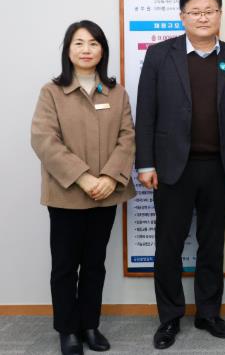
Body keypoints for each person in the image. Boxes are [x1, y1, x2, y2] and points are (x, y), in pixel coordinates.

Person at [135, 0, 225, 350]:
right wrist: (145, 163)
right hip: (172, 168)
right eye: (195, 12)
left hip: (219, 167)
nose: (203, 17)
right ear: (182, 17)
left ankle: (208, 313)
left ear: (220, 15)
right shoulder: (160, 55)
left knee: (211, 244)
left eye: (209, 10)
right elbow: (146, 112)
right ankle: (169, 317)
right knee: (168, 245)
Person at [31, 20, 136, 355]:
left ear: (102, 50)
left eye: (93, 43)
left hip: (106, 193)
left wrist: (109, 178)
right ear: (68, 50)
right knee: (65, 266)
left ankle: (90, 325)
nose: (86, 50)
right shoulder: (51, 92)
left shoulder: (117, 92)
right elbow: (44, 140)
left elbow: (127, 137)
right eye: (79, 43)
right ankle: (68, 330)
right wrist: (84, 177)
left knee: (95, 263)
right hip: (66, 194)